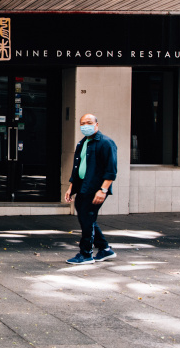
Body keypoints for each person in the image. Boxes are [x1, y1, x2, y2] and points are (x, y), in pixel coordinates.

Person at [63, 113, 117, 264]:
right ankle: (105, 249)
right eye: (82, 123)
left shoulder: (106, 143)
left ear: (96, 125)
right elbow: (77, 168)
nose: (85, 126)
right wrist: (71, 188)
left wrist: (103, 190)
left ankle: (86, 254)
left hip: (96, 188)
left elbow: (111, 170)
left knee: (87, 218)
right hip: (82, 186)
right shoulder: (82, 143)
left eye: (89, 122)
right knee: (86, 217)